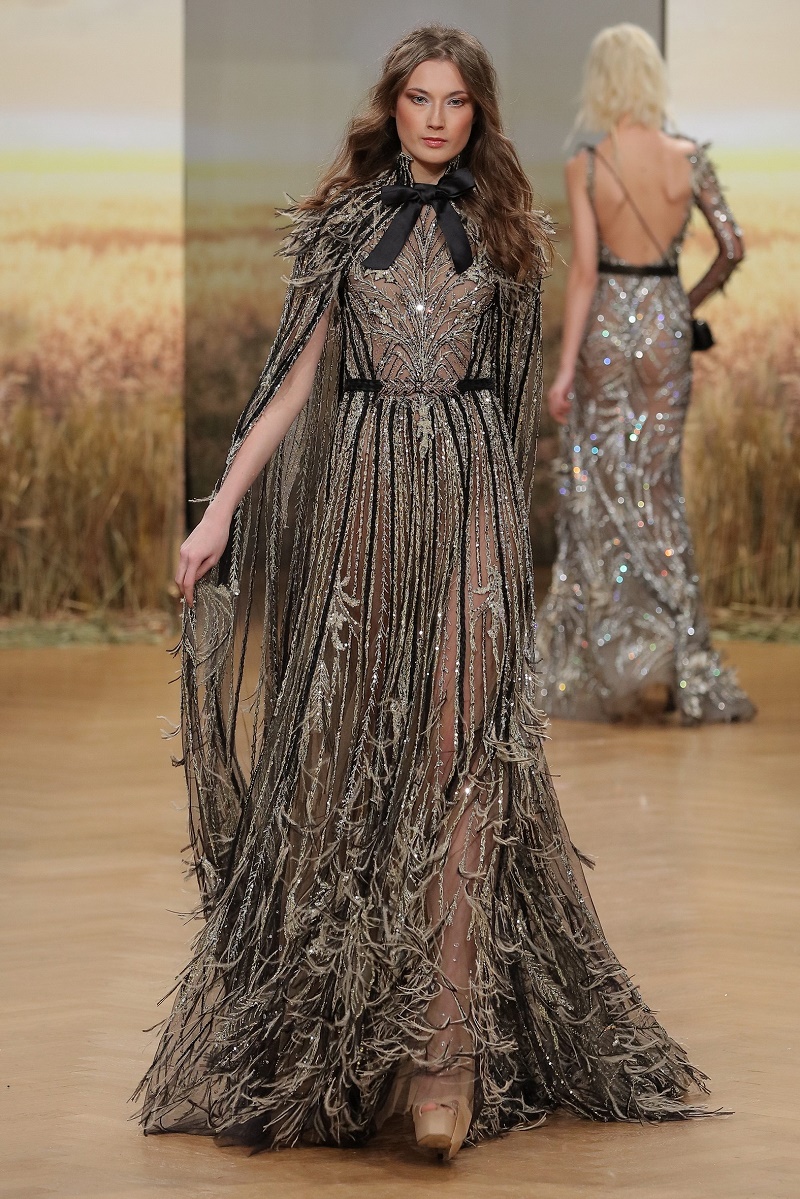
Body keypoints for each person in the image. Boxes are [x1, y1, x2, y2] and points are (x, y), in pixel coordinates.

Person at [135, 26, 711, 1159]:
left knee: (462, 757)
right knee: (351, 764)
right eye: (418, 98)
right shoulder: (344, 227)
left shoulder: (508, 230)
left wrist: (502, 535)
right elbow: (292, 380)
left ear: (476, 113)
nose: (437, 118)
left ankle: (446, 1056)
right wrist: (218, 511)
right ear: (391, 107)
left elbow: (508, 402)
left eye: (455, 101)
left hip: (469, 507)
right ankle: (351, 1035)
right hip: (362, 511)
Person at [539, 23, 755, 725]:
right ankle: (679, 662)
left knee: (600, 484)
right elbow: (732, 245)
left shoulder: (588, 164)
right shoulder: (689, 160)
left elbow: (583, 275)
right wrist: (686, 301)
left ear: (601, 82)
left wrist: (564, 370)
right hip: (664, 320)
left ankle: (605, 661)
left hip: (606, 321)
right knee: (659, 485)